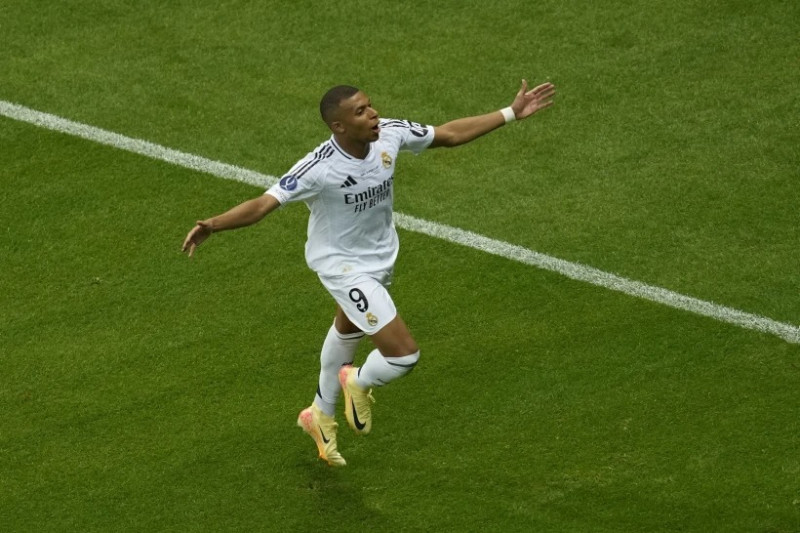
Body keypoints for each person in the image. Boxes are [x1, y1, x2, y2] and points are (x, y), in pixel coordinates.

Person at [181, 79, 555, 466]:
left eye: (370, 105)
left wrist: (510, 113)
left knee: (348, 329)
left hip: (380, 258)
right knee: (403, 357)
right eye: (360, 111)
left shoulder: (389, 135)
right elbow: (263, 204)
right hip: (342, 266)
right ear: (338, 126)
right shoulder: (319, 168)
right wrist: (214, 224)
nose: (373, 113)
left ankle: (318, 415)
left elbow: (448, 134)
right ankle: (356, 380)